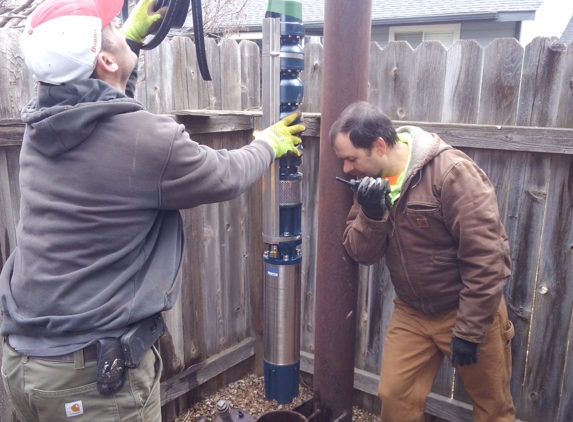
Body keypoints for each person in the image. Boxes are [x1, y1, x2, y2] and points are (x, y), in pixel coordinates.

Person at [0, 0, 305, 420]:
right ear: (105, 60)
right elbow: (226, 174)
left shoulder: (44, 124)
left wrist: (130, 40)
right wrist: (267, 144)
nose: (119, 23)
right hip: (90, 378)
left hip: (25, 364)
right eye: (111, 26)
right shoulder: (147, 141)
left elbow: (107, 107)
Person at [330, 101, 515, 422]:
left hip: (467, 310)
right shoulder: (372, 184)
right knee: (394, 396)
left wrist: (470, 331)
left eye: (351, 159)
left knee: (492, 406)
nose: (347, 169)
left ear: (379, 146)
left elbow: (488, 257)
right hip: (411, 312)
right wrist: (372, 214)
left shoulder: (452, 173)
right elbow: (360, 252)